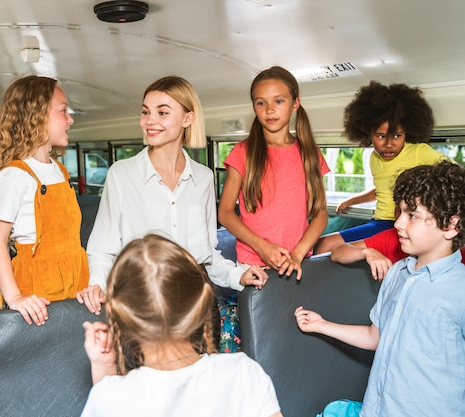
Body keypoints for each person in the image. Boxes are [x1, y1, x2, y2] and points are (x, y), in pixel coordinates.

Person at [77, 76, 267, 315]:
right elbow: (102, 250)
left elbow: (207, 255)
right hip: (141, 303)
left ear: (187, 118)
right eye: (145, 112)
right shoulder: (121, 174)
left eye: (162, 112)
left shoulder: (204, 178)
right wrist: (96, 285)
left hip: (195, 303)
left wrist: (239, 275)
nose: (150, 121)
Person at [295, 160, 465, 416]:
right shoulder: (398, 272)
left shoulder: (459, 290)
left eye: (412, 216)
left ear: (450, 226)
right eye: (400, 213)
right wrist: (321, 325)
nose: (398, 223)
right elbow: (376, 337)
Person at [80, 234, 282, 417]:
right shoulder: (243, 372)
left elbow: (110, 404)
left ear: (123, 320)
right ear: (200, 308)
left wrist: (104, 370)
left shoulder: (110, 396)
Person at [0, 76, 88, 326]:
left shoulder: (60, 171)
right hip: (37, 290)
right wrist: (15, 297)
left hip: (74, 282)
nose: (70, 119)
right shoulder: (15, 175)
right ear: (35, 116)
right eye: (62, 111)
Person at [218, 66, 329, 280]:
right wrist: (262, 247)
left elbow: (321, 214)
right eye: (261, 102)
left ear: (295, 103)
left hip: (299, 262)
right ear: (254, 106)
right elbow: (225, 213)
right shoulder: (242, 153)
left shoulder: (311, 155)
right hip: (252, 264)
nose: (270, 109)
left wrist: (297, 254)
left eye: (279, 101)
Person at [315, 81, 448, 254]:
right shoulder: (374, 159)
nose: (389, 144)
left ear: (407, 132)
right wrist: (352, 201)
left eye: (397, 136)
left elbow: (452, 178)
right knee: (321, 245)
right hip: (379, 222)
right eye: (381, 136)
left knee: (326, 246)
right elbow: (381, 190)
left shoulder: (419, 152)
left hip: (404, 222)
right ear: (367, 133)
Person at [330, 227, 465, 281]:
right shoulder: (394, 238)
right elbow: (337, 252)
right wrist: (367, 251)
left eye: (412, 216)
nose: (399, 223)